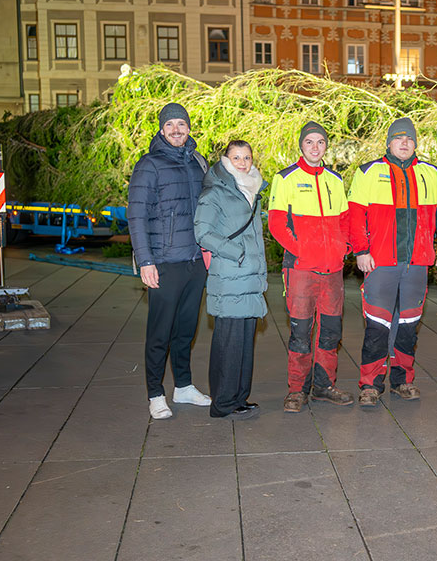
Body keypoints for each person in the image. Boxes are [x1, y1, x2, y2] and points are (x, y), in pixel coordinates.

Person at [348, 117, 437, 407]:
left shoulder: (431, 174)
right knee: (377, 325)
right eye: (398, 138)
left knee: (408, 325)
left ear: (415, 143)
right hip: (380, 262)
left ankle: (403, 380)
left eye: (409, 138)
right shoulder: (369, 171)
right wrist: (361, 251)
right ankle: (370, 384)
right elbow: (355, 216)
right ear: (389, 142)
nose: (404, 142)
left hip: (417, 263)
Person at [128, 102, 212, 420]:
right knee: (160, 332)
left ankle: (184, 386)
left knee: (185, 330)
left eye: (182, 124)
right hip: (164, 262)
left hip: (194, 261)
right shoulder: (149, 165)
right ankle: (155, 393)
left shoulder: (197, 162)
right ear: (162, 130)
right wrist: (145, 261)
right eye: (170, 125)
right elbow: (135, 216)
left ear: (188, 128)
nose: (177, 130)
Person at [268, 122, 354, 413]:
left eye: (320, 142)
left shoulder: (335, 179)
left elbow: (345, 221)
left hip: (332, 272)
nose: (315, 147)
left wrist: (343, 249)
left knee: (330, 332)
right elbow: (277, 224)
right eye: (309, 142)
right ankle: (296, 389)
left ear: (326, 146)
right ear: (301, 146)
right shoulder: (286, 178)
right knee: (300, 333)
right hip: (301, 270)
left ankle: (323, 386)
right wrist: (303, 251)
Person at [194, 141, 267, 419]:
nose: (242, 162)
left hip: (249, 279)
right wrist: (236, 253)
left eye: (247, 157)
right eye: (236, 157)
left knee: (245, 344)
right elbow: (202, 232)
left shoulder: (250, 191)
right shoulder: (215, 192)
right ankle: (222, 403)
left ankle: (238, 398)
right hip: (230, 277)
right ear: (225, 160)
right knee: (229, 344)